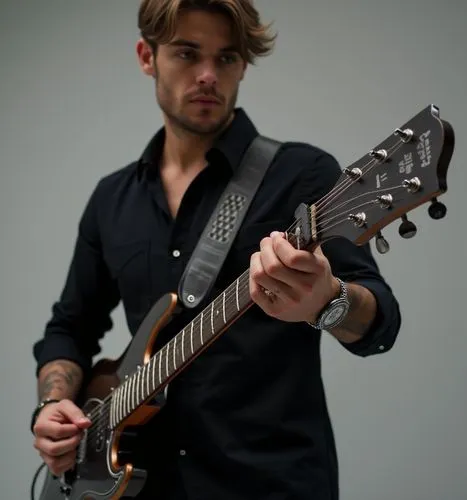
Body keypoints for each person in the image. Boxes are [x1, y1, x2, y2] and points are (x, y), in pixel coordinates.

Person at [31, 1, 402, 499]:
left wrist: (328, 302)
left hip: (268, 484)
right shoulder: (111, 198)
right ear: (147, 56)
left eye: (226, 59)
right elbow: (69, 328)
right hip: (140, 488)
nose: (208, 75)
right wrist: (53, 406)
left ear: (242, 66)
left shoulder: (302, 175)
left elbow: (380, 322)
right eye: (187, 54)